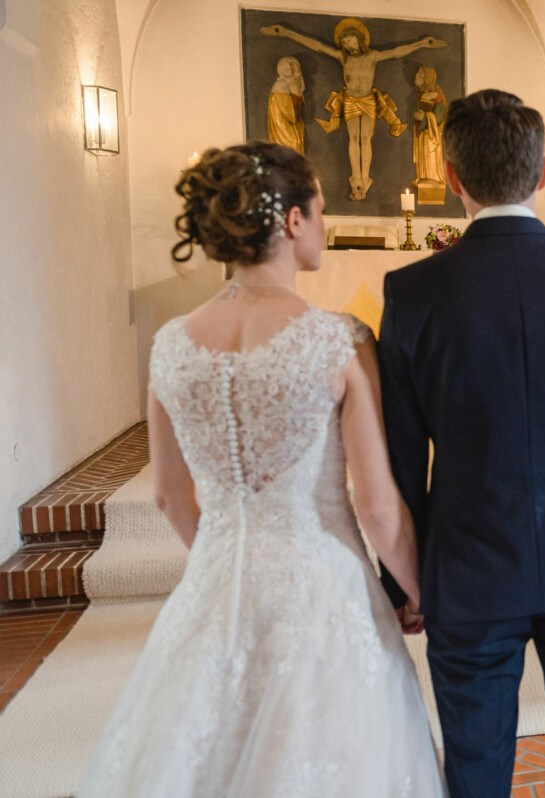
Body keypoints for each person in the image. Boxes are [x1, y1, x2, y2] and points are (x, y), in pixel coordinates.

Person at [76, 142, 445, 797]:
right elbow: (378, 506)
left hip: (217, 582)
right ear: (294, 222)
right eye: (322, 210)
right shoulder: (339, 340)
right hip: (322, 583)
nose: (325, 226)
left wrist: (222, 557)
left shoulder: (169, 346)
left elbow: (168, 496)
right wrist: (421, 592)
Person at [376, 89, 545, 798]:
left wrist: (405, 582)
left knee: (475, 773)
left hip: (469, 567)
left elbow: (401, 457)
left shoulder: (412, 292)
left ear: (452, 178)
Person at [261, 18, 447, 199]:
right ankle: (356, 178)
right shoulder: (343, 57)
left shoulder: (372, 56)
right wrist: (288, 33)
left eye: (349, 41)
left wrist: (421, 44)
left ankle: (365, 177)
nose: (347, 46)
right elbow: (318, 46)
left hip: (367, 100)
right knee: (354, 137)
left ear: (358, 39)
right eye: (344, 43)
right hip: (350, 100)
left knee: (366, 139)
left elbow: (396, 52)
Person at [412, 65, 448, 202]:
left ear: (427, 78)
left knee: (430, 154)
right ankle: (423, 176)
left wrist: (425, 117)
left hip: (431, 134)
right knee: (423, 156)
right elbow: (413, 111)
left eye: (420, 75)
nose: (416, 76)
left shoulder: (437, 95)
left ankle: (432, 178)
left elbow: (439, 116)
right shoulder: (421, 94)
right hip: (422, 133)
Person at [266, 56, 305, 154]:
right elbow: (290, 114)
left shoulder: (293, 85)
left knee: (297, 143)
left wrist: (297, 93)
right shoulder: (280, 86)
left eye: (296, 65)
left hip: (293, 128)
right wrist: (295, 95)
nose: (295, 68)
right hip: (283, 128)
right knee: (293, 144)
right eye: (292, 65)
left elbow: (300, 115)